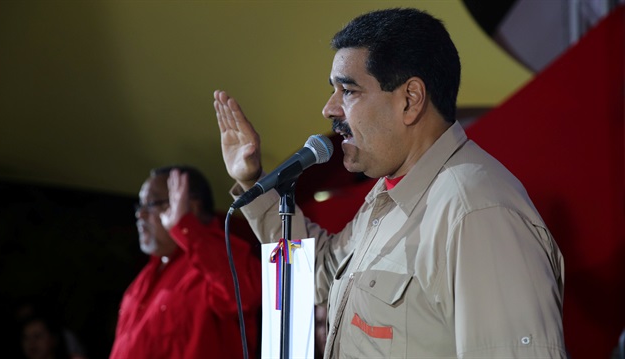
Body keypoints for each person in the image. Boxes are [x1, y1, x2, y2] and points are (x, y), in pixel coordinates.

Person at [214, 7, 567, 358]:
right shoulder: (391, 194)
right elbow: (320, 273)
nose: (329, 109)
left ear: (410, 100)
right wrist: (252, 180)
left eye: (348, 91)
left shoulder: (477, 211)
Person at [109, 165, 263, 359]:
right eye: (140, 205)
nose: (140, 214)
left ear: (192, 207)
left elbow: (246, 294)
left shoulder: (223, 258)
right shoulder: (142, 281)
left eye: (151, 204)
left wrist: (184, 225)